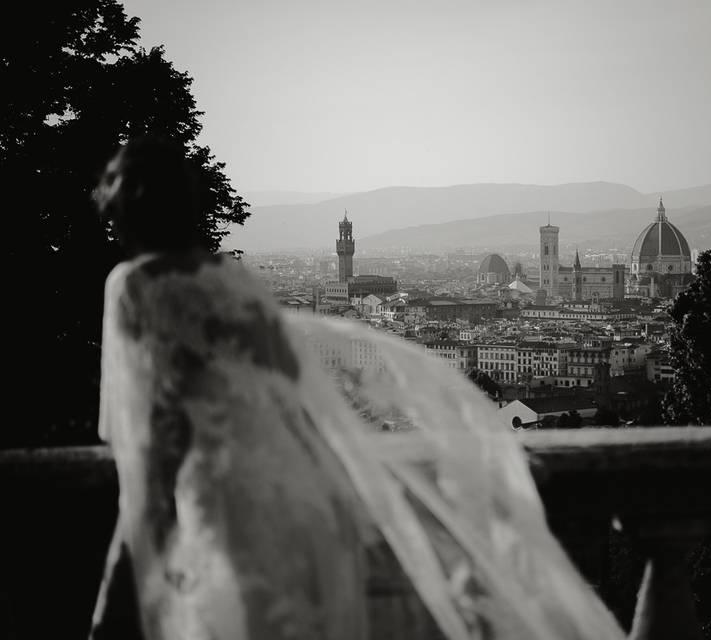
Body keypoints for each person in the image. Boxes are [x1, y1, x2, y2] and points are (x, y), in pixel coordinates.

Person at [91, 136, 626, 640]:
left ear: (127, 214)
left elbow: (148, 444)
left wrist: (116, 591)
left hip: (214, 506)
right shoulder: (238, 282)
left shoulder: (135, 287)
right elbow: (293, 392)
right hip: (293, 502)